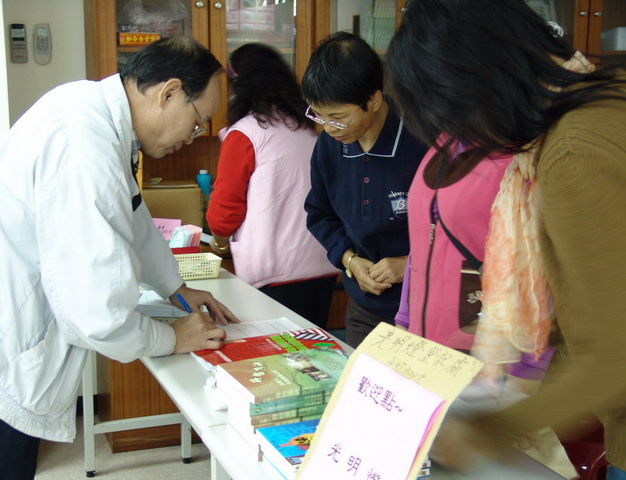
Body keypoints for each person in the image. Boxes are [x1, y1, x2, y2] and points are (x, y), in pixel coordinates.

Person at [387, 0, 626, 478]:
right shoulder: (601, 104)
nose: (462, 135)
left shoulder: (572, 154)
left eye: (455, 114)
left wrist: (487, 429)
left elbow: (615, 353)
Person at [0, 36, 239, 479]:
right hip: (10, 361)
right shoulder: (84, 149)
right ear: (168, 93)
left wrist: (176, 288)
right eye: (198, 121)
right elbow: (97, 315)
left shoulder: (91, 112)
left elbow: (134, 218)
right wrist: (173, 337)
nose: (192, 136)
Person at [302, 32, 428, 348]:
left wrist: (409, 264)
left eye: (338, 117)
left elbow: (455, 227)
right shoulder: (329, 146)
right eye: (318, 114)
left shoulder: (422, 140)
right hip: (365, 308)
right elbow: (320, 214)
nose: (327, 127)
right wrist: (349, 261)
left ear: (373, 100)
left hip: (424, 308)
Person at [206, 43, 337, 328]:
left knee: (272, 350)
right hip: (323, 263)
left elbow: (224, 211)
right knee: (312, 348)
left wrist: (219, 242)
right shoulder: (309, 128)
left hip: (274, 272)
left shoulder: (245, 133)